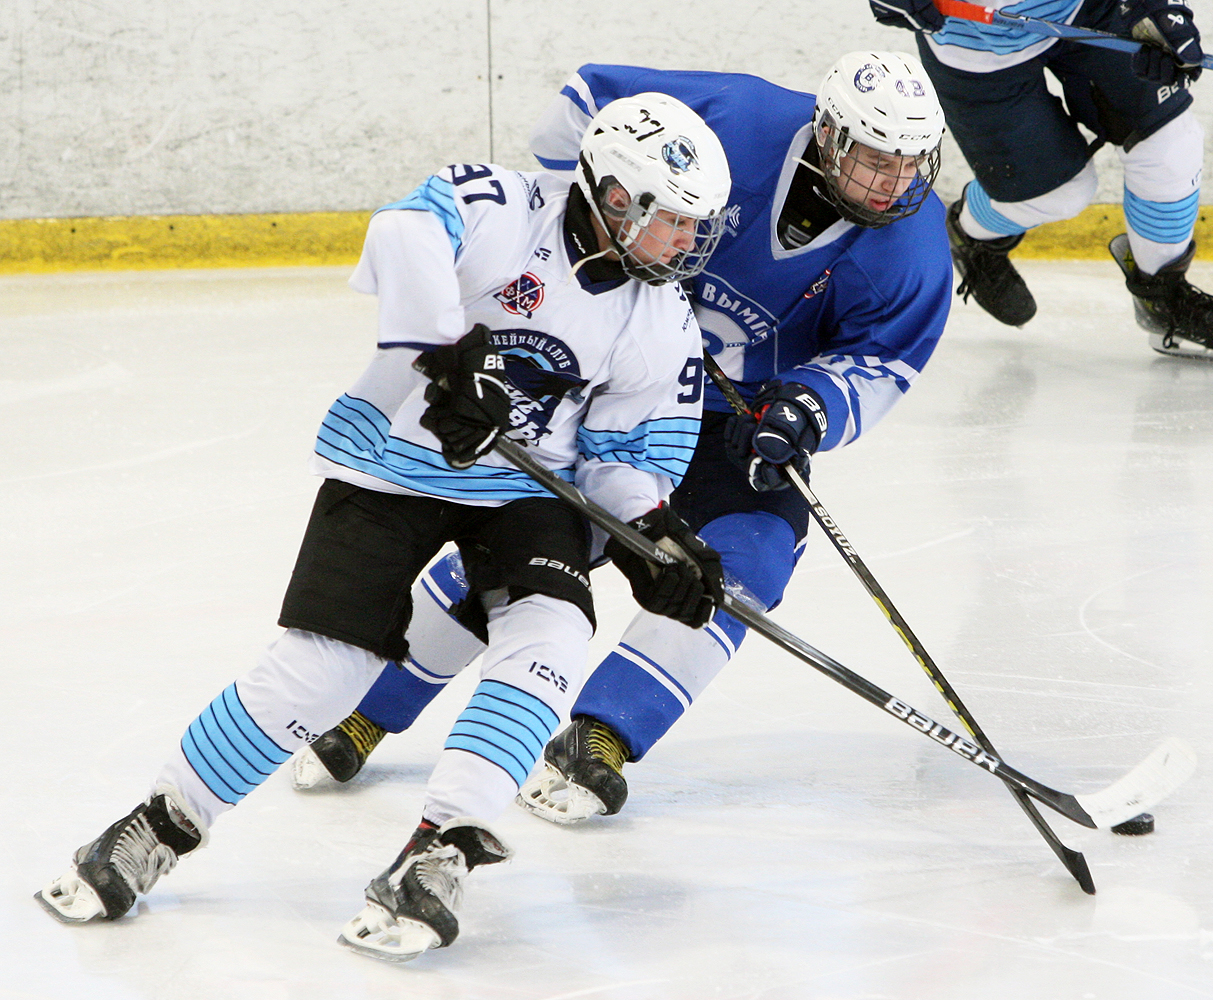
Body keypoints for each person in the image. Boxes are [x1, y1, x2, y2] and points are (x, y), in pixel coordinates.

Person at [35, 93, 733, 962]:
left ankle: (439, 849)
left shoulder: (658, 317)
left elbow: (622, 455)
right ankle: (158, 823)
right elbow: (405, 233)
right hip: (394, 459)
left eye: (693, 226)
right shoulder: (508, 207)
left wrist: (652, 537)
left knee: (552, 629)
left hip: (524, 491)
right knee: (325, 670)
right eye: (670, 222)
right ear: (616, 196)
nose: (683, 244)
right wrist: (444, 349)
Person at [288, 52, 955, 825]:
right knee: (533, 545)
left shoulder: (913, 245)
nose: (892, 181)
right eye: (875, 157)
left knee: (744, 563)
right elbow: (584, 103)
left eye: (909, 164)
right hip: (613, 391)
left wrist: (808, 407)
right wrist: (597, 263)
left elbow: (882, 361)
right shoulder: (741, 120)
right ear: (829, 133)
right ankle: (370, 708)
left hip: (746, 424)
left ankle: (600, 736)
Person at [871, 0, 1213, 364]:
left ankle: (1162, 295)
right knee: (1060, 194)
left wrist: (1160, 7)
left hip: (1092, 9)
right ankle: (970, 234)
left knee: (1170, 147)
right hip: (972, 43)